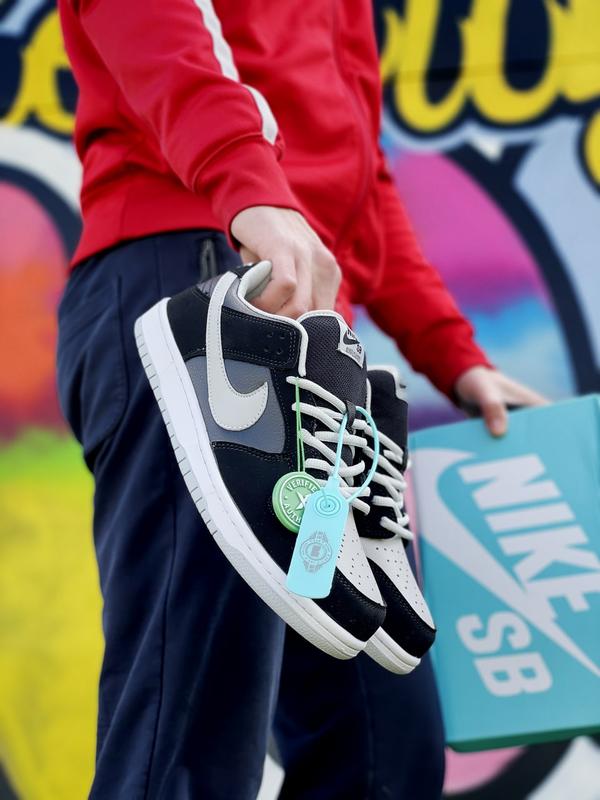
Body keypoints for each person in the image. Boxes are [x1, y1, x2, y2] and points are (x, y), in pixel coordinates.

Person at [56, 1, 546, 798]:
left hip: (313, 352)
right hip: (202, 285)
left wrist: (454, 354)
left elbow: (360, 181)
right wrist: (249, 184)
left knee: (382, 745)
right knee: (193, 732)